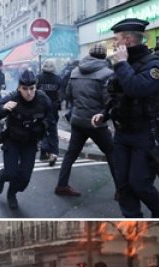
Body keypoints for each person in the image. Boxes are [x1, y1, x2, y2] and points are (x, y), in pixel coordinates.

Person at [92, 18, 159, 218]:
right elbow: (117, 94)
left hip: (144, 133)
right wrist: (104, 114)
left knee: (139, 183)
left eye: (116, 40)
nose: (113, 44)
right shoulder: (121, 65)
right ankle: (133, 224)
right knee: (123, 184)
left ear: (128, 40)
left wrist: (122, 63)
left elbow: (137, 89)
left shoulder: (155, 65)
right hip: (122, 134)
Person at [56, 44, 117, 197]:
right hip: (96, 122)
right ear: (104, 56)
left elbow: (69, 94)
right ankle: (122, 191)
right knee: (112, 153)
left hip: (78, 120)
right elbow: (108, 100)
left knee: (70, 155)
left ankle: (61, 186)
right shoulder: (107, 73)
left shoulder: (75, 71)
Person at [0, 70, 52, 209]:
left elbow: (51, 122)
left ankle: (12, 192)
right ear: (19, 88)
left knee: (25, 177)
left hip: (30, 141)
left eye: (32, 88)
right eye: (25, 89)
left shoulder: (43, 99)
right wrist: (3, 108)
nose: (29, 93)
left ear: (36, 87)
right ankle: (2, 177)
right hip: (13, 139)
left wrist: (52, 147)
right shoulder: (12, 98)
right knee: (10, 172)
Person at [36, 60, 61, 166]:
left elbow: (34, 92)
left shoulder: (38, 77)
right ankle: (53, 153)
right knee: (53, 131)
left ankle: (43, 152)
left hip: (40, 108)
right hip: (53, 108)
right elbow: (61, 94)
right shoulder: (58, 79)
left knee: (42, 130)